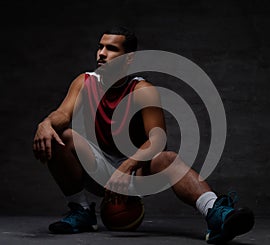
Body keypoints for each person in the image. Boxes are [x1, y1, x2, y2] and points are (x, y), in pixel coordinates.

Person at [32, 26, 254, 244]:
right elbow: (62, 114)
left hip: (135, 170)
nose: (101, 53)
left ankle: (217, 214)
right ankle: (81, 211)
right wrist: (45, 123)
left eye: (111, 49)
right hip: (98, 168)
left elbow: (158, 139)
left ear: (128, 58)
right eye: (100, 47)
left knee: (167, 158)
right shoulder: (84, 82)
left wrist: (126, 167)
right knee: (63, 135)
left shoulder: (141, 90)